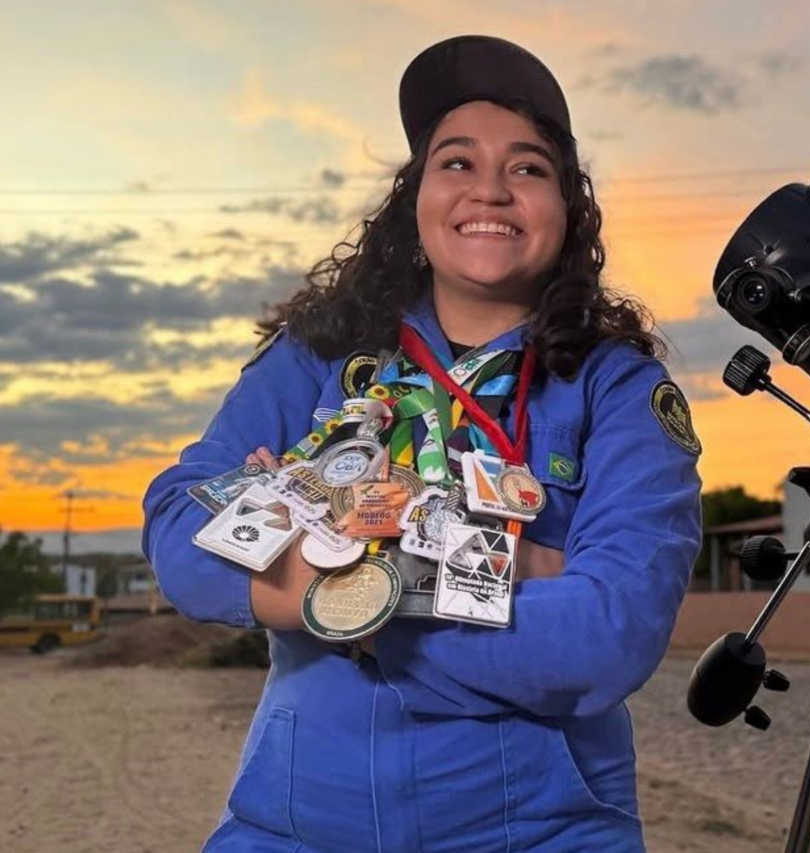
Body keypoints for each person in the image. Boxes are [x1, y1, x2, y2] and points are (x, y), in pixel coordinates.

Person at [142, 35, 702, 853]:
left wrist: (334, 576)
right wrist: (513, 564)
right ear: (416, 198)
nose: (490, 189)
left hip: (544, 832)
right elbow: (178, 530)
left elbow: (607, 632)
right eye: (457, 161)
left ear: (568, 209)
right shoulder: (316, 356)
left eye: (527, 168)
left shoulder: (616, 388)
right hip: (294, 825)